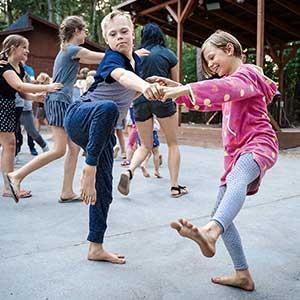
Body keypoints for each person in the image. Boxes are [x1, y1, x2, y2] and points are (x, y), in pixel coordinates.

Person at [151, 30, 279, 291]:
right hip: (236, 155)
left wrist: (182, 89)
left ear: (229, 49)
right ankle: (243, 274)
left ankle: (211, 232)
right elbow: (209, 100)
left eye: (212, 57)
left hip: (258, 144)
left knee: (235, 182)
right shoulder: (231, 84)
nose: (210, 65)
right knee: (222, 213)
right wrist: (173, 88)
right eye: (207, 61)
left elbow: (225, 88)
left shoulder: (247, 75)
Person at [64, 10, 160, 263]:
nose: (119, 37)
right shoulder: (111, 59)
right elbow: (122, 77)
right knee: (107, 107)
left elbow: (129, 91)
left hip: (102, 131)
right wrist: (144, 84)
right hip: (80, 118)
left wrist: (161, 87)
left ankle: (95, 247)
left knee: (104, 191)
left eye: (124, 31)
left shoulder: (136, 63)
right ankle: (88, 168)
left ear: (133, 32)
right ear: (106, 39)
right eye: (113, 34)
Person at [7, 16, 107, 203]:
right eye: (84, 30)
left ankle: (67, 192)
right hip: (59, 101)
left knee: (73, 148)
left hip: (62, 101)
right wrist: (126, 52)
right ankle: (17, 176)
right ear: (76, 30)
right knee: (60, 149)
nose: (86, 33)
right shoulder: (72, 50)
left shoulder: (67, 50)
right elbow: (101, 57)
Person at [117, 22, 187, 198]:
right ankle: (174, 186)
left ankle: (129, 171)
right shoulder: (167, 54)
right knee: (172, 143)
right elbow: (177, 84)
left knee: (145, 145)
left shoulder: (135, 56)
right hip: (163, 97)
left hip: (140, 100)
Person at [0, 34, 62, 201]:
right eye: (24, 47)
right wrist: (49, 87)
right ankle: (9, 186)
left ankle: (9, 185)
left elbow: (21, 92)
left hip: (7, 105)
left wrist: (36, 97)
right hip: (1, 105)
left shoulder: (19, 67)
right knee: (9, 144)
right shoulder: (4, 66)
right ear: (13, 48)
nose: (27, 51)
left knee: (9, 144)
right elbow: (18, 85)